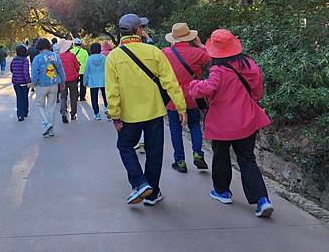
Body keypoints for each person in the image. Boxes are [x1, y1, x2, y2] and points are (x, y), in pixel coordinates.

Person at [189, 29, 274, 218]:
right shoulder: (249, 64)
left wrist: (193, 86)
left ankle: (222, 191)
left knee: (221, 156)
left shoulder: (217, 70)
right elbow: (257, 93)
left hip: (222, 123)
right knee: (247, 159)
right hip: (247, 120)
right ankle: (262, 200)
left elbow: (206, 88)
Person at [106, 13, 187, 206]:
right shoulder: (154, 52)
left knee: (125, 147)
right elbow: (170, 82)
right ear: (139, 30)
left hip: (128, 115)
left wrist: (115, 115)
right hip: (154, 112)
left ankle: (140, 182)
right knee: (154, 152)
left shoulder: (113, 57)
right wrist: (180, 106)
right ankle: (152, 193)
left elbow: (112, 91)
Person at [162, 23, 211, 173]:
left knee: (176, 129)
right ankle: (197, 153)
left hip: (173, 97)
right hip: (193, 95)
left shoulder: (165, 52)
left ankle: (180, 161)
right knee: (195, 125)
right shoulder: (198, 53)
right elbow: (212, 59)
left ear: (174, 38)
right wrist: (201, 44)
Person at [31, 38, 66, 137]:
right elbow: (60, 69)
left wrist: (33, 82)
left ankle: (46, 124)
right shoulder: (55, 56)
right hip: (54, 84)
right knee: (51, 107)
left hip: (41, 85)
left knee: (40, 105)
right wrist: (63, 81)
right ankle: (51, 131)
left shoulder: (37, 58)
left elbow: (34, 73)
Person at [58, 39, 80, 123]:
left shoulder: (59, 57)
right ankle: (73, 114)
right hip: (73, 79)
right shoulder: (72, 55)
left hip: (63, 80)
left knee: (63, 96)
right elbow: (77, 67)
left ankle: (63, 111)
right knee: (73, 96)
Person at [83, 42, 107, 121]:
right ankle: (107, 108)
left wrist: (84, 81)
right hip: (103, 79)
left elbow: (86, 70)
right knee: (105, 95)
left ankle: (97, 114)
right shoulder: (104, 58)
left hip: (93, 80)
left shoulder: (89, 58)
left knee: (94, 97)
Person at [10, 44, 31, 122]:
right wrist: (28, 80)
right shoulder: (25, 60)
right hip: (24, 82)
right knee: (25, 97)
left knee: (19, 97)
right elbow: (26, 72)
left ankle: (20, 115)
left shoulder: (14, 60)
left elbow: (11, 70)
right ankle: (25, 112)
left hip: (16, 82)